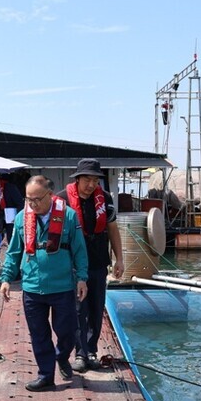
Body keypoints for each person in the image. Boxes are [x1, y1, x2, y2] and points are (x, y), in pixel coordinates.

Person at [0, 176, 89, 392]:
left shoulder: (68, 216)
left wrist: (82, 278)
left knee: (67, 331)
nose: (33, 204)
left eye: (37, 199)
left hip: (62, 286)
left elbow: (79, 249)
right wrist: (6, 279)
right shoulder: (21, 219)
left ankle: (62, 356)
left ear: (50, 195)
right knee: (39, 334)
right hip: (32, 287)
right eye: (29, 199)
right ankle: (46, 376)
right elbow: (13, 252)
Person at [57, 159, 124, 372]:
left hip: (97, 261)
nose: (91, 184)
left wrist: (119, 259)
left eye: (95, 180)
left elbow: (112, 229)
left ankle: (91, 350)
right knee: (78, 310)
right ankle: (80, 353)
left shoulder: (105, 199)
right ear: (77, 179)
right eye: (87, 179)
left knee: (96, 308)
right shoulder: (61, 199)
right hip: (73, 265)